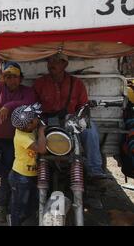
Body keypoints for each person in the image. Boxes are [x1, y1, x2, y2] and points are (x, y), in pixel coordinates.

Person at [33, 54, 109, 183]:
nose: (52, 64)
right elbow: (33, 106)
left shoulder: (77, 83)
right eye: (50, 61)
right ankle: (29, 171)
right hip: (47, 120)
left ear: (65, 65)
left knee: (90, 130)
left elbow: (83, 107)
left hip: (71, 119)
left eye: (56, 61)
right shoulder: (40, 83)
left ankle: (95, 169)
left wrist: (79, 119)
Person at [0, 61, 37, 221]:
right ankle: (10, 176)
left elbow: (31, 103)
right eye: (8, 77)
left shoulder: (27, 91)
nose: (11, 80)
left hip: (12, 141)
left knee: (7, 173)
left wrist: (8, 105)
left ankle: (4, 206)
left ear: (21, 78)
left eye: (15, 77)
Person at [9, 103, 46, 226]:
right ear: (29, 124)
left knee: (30, 204)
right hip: (21, 177)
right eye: (35, 118)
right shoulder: (22, 137)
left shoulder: (27, 127)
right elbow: (41, 149)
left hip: (30, 174)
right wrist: (41, 131)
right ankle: (14, 222)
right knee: (19, 206)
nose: (37, 119)